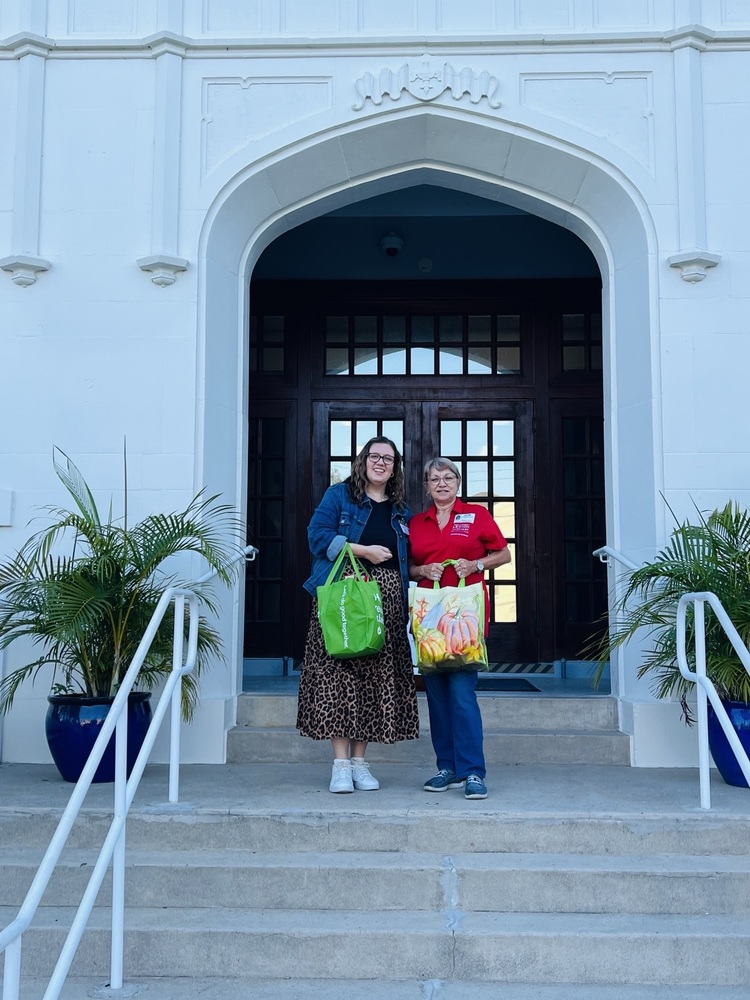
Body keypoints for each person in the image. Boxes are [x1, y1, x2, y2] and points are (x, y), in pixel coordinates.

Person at [297, 436, 419, 793]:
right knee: (339, 676)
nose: (381, 463)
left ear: (395, 467)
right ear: (363, 460)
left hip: (387, 601)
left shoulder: (401, 509)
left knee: (373, 681)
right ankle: (339, 765)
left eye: (389, 459)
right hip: (345, 597)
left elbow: (407, 558)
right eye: (375, 456)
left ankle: (360, 763)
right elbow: (316, 536)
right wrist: (361, 550)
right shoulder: (339, 496)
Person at [409, 457, 511, 800]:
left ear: (458, 482)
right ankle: (447, 768)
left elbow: (503, 554)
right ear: (426, 486)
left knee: (463, 696)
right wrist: (423, 571)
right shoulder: (416, 523)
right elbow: (407, 567)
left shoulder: (476, 516)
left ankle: (473, 772)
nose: (441, 483)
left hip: (465, 620)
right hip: (430, 621)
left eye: (448, 477)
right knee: (437, 697)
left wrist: (477, 563)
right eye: (434, 479)